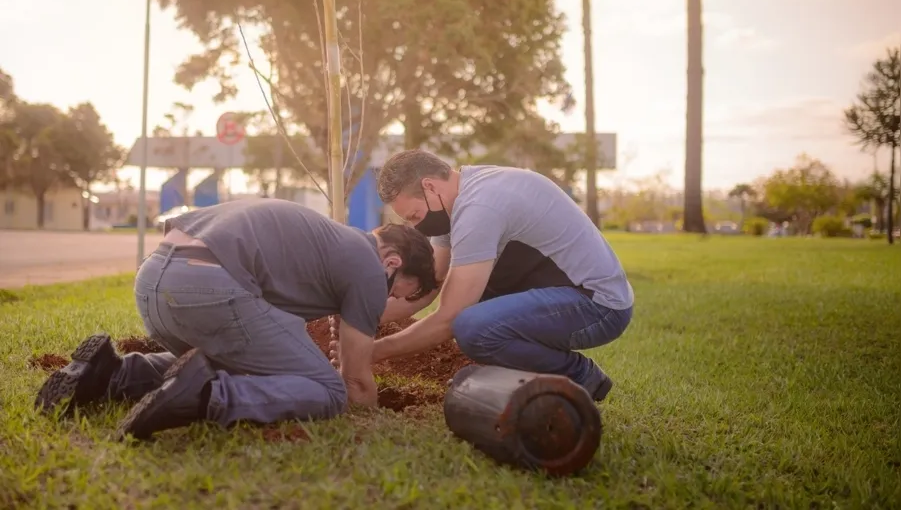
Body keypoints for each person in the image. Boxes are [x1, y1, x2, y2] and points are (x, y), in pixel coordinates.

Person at [35, 197, 438, 440]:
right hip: (207, 287)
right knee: (328, 390)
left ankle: (111, 374)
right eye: (395, 291)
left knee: (243, 361)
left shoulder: (329, 243)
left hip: (153, 281)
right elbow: (354, 379)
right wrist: (368, 413)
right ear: (392, 262)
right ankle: (208, 396)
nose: (386, 300)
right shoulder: (368, 267)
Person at [362, 149, 633, 402]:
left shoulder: (480, 207)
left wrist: (374, 352)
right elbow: (430, 281)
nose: (415, 226)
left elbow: (449, 319)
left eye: (414, 215)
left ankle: (579, 375)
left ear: (430, 186)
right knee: (471, 300)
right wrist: (362, 316)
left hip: (598, 305)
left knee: (472, 326)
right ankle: (515, 375)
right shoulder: (456, 199)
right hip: (560, 291)